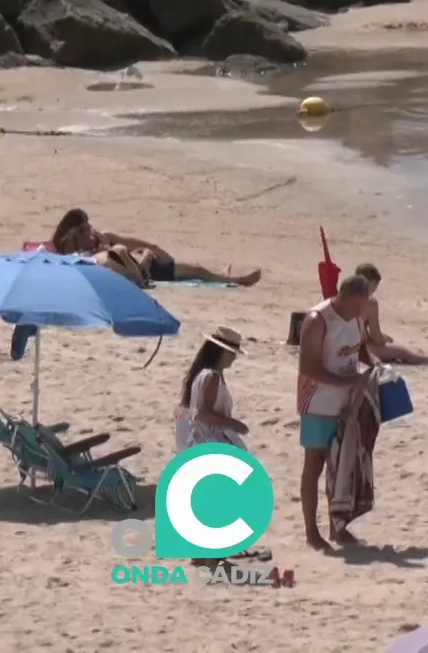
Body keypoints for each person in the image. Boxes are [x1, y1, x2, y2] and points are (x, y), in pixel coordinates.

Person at [297, 273, 376, 549]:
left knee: (341, 466)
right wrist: (347, 381)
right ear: (346, 297)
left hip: (346, 404)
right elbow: (308, 368)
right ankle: (311, 531)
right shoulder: (317, 320)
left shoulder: (355, 317)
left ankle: (336, 527)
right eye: (360, 305)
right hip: (317, 403)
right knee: (314, 466)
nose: (362, 311)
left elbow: (360, 350)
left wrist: (375, 368)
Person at [49, 208, 260, 286]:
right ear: (74, 233)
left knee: (196, 269)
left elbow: (135, 242)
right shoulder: (75, 252)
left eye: (89, 227)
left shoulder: (100, 238)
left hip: (146, 261)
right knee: (196, 270)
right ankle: (236, 280)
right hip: (147, 269)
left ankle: (225, 277)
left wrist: (155, 249)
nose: (89, 232)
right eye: (84, 229)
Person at [175, 326, 248, 450]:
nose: (234, 358)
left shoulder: (204, 373)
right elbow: (203, 413)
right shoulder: (212, 376)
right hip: (209, 440)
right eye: (231, 353)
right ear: (220, 352)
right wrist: (235, 424)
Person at [354, 262, 428, 365]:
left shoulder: (346, 296)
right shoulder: (370, 303)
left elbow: (359, 332)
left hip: (340, 347)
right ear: (370, 283)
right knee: (403, 353)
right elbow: (376, 337)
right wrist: (383, 338)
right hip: (356, 351)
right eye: (375, 287)